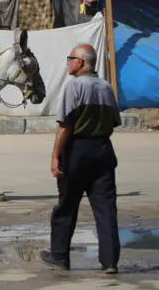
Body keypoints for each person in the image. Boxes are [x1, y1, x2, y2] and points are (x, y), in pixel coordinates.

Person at [40, 43, 121, 274]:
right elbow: (114, 121)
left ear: (82, 62)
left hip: (76, 151)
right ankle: (110, 262)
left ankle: (60, 257)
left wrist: (55, 156)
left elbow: (65, 126)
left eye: (71, 58)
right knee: (105, 209)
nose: (68, 62)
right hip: (103, 150)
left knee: (66, 206)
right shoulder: (106, 87)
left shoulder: (73, 87)